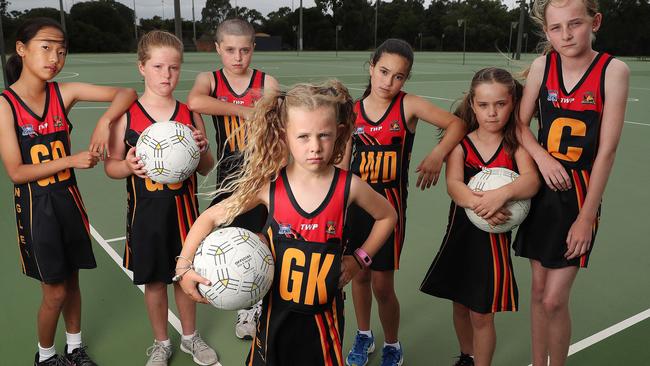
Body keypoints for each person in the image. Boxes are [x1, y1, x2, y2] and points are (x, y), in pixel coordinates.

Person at [176, 80, 397, 365]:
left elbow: (387, 216)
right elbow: (210, 217)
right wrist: (183, 268)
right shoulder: (270, 188)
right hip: (273, 321)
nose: (315, 147)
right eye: (303, 136)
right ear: (285, 135)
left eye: (324, 135)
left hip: (323, 324)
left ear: (340, 133)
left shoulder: (349, 187)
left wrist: (358, 260)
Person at [0, 17, 137, 366]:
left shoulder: (63, 93)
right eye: (45, 48)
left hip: (69, 201)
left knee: (73, 281)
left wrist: (105, 121)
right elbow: (17, 172)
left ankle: (74, 348)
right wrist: (69, 160)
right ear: (21, 48)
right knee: (55, 291)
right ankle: (45, 356)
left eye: (61, 51)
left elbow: (127, 94)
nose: (54, 58)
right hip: (36, 207)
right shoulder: (5, 105)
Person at [512, 1, 629, 365]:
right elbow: (519, 125)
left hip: (579, 195)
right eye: (556, 28)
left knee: (554, 299)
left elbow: (606, 152)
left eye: (575, 24)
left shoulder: (613, 71)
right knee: (537, 292)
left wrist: (586, 217)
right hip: (541, 189)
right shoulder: (541, 67)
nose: (566, 35)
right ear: (546, 32)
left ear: (594, 22)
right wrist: (542, 156)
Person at [340, 38, 466, 366]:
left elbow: (457, 124)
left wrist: (438, 154)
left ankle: (393, 343)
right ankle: (364, 335)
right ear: (371, 68)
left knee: (382, 284)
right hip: (355, 206)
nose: (388, 81)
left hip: (389, 208)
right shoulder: (353, 111)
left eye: (398, 76)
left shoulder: (407, 106)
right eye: (383, 72)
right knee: (359, 276)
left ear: (405, 79)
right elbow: (341, 164)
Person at [104, 30, 217, 366]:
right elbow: (111, 167)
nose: (166, 75)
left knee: (184, 279)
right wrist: (126, 165)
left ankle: (190, 338)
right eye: (157, 67)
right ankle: (161, 342)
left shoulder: (189, 114)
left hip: (185, 215)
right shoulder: (128, 116)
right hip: (146, 215)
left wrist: (203, 150)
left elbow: (206, 168)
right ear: (142, 68)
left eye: (173, 68)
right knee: (155, 283)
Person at [420, 68, 540, 366]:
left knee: (481, 312)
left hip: (492, 242)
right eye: (484, 105)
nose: (492, 113)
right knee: (460, 304)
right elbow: (454, 185)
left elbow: (532, 181)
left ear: (512, 102)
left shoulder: (515, 144)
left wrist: (502, 195)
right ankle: (467, 356)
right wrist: (478, 203)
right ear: (472, 104)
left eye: (500, 104)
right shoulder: (462, 145)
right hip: (460, 234)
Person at [186, 18, 279, 340]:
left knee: (263, 238)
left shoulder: (267, 81)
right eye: (230, 50)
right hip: (230, 171)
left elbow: (270, 115)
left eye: (244, 50)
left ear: (253, 49)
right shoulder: (208, 79)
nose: (237, 57)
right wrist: (241, 111)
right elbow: (195, 101)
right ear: (218, 49)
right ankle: (236, 293)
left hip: (263, 170)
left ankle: (251, 309)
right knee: (225, 236)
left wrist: (252, 111)